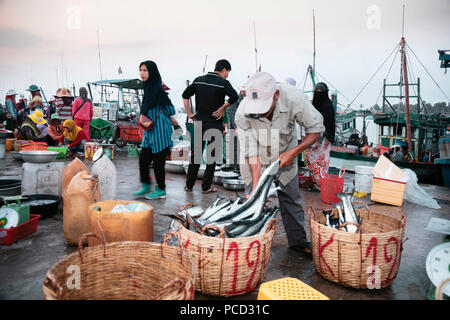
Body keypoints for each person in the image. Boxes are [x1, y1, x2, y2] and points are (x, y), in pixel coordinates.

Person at [235, 72, 325, 256]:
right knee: (254, 202)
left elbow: (316, 130)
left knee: (291, 198)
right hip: (257, 155)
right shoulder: (242, 112)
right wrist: (256, 186)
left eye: (264, 107)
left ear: (276, 95)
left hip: (286, 151)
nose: (260, 112)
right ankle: (250, 245)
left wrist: (293, 152)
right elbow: (251, 153)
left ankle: (298, 242)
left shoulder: (294, 98)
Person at [182, 59, 238, 193]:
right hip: (214, 123)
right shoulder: (223, 83)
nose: (227, 75)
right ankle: (205, 187)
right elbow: (234, 96)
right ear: (224, 70)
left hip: (198, 122)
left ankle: (189, 186)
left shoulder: (199, 80)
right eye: (228, 72)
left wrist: (190, 113)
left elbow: (185, 95)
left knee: (195, 156)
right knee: (212, 158)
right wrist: (224, 107)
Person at [133, 60, 176, 200]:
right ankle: (146, 184)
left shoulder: (158, 90)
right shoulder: (147, 89)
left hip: (160, 131)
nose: (142, 73)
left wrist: (160, 111)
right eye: (141, 70)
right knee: (143, 159)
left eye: (145, 70)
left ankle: (161, 189)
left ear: (152, 72)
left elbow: (171, 109)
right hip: (149, 131)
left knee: (158, 163)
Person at [306, 82, 336, 190]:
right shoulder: (313, 106)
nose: (318, 93)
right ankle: (316, 183)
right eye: (317, 91)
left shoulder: (327, 106)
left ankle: (321, 185)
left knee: (321, 163)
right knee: (313, 162)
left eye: (321, 91)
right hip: (312, 137)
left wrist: (320, 139)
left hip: (322, 139)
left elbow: (329, 124)